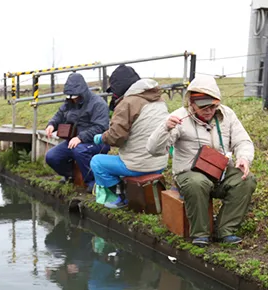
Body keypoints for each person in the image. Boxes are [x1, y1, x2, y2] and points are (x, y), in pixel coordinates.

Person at [147, 75, 256, 246]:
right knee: (197, 183)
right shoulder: (178, 118)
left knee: (246, 180)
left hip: (219, 171)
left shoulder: (227, 115)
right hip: (189, 173)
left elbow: (242, 140)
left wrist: (243, 157)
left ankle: (225, 230)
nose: (209, 110)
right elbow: (153, 150)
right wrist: (165, 129)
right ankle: (200, 234)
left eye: (213, 106)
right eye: (203, 107)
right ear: (191, 103)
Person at [90, 65, 169, 209]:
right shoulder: (159, 100)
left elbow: (116, 137)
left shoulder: (127, 103)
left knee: (97, 162)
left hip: (138, 165)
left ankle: (120, 197)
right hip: (160, 164)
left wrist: (102, 137)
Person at [44, 73, 110, 191]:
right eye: (70, 96)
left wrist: (81, 137)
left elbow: (101, 127)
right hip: (74, 141)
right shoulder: (69, 103)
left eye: (74, 96)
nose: (72, 98)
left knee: (80, 150)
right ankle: (71, 175)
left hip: (97, 142)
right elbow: (59, 115)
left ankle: (92, 183)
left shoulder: (98, 104)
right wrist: (51, 125)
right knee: (51, 157)